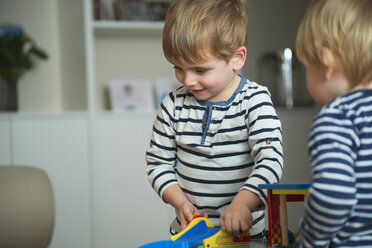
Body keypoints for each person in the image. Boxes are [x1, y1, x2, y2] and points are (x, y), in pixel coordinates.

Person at [145, 0, 283, 237]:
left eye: (200, 70)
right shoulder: (173, 105)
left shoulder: (255, 101)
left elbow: (270, 162)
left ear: (236, 59)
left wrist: (242, 204)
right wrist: (181, 203)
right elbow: (158, 163)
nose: (187, 80)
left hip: (247, 236)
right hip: (191, 234)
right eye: (177, 67)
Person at [295, 0, 372, 247]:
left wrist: (309, 241)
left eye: (306, 66)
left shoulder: (338, 117)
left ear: (326, 64)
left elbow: (334, 195)